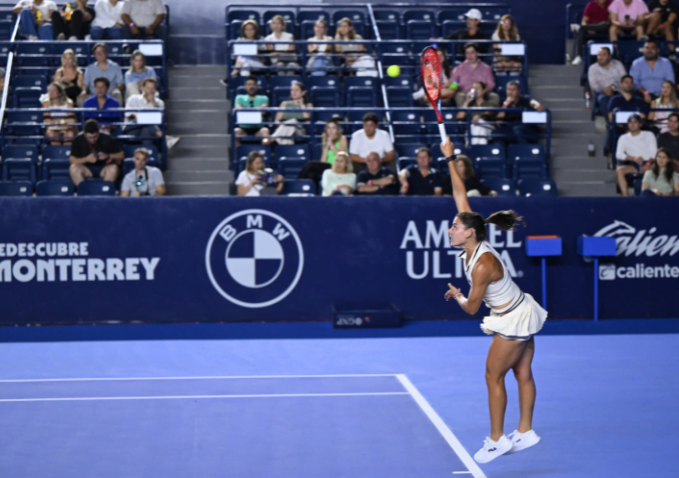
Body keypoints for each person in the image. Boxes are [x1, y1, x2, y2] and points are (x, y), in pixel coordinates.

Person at [441, 136, 545, 464]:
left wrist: (459, 295)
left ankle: (497, 439)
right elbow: (460, 193)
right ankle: (526, 431)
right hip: (521, 309)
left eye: (455, 227)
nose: (451, 229)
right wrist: (449, 158)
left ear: (469, 233)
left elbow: (473, 308)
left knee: (493, 375)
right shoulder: (474, 236)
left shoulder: (482, 265)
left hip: (512, 320)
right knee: (522, 373)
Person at [124, 77, 179, 149]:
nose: (150, 91)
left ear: (155, 89)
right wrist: (135, 114)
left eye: (152, 88)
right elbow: (127, 113)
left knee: (146, 129)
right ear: (142, 88)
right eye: (148, 88)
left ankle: (148, 155)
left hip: (150, 129)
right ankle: (165, 138)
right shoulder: (133, 98)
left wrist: (153, 103)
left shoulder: (159, 102)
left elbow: (159, 119)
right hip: (132, 128)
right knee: (147, 121)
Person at [69, 119, 124, 186]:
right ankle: (83, 192)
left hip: (104, 167)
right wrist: (87, 159)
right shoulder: (78, 139)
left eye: (95, 137)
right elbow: (72, 160)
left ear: (98, 132)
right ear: (85, 134)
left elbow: (121, 155)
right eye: (90, 137)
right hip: (86, 168)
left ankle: (104, 192)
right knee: (73, 168)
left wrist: (108, 155)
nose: (92, 140)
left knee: (113, 169)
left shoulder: (107, 137)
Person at [615, 114, 657, 196]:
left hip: (650, 163)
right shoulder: (623, 138)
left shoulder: (649, 134)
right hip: (635, 164)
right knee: (619, 170)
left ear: (640, 124)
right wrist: (634, 159)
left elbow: (654, 153)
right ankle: (625, 197)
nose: (632, 124)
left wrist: (648, 164)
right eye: (630, 122)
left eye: (635, 122)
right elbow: (618, 154)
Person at [262, 80, 312, 147]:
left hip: (300, 131)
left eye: (296, 90)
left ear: (303, 93)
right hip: (285, 130)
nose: (294, 92)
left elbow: (307, 117)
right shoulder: (284, 104)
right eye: (292, 90)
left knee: (293, 121)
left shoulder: (308, 105)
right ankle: (288, 151)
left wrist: (301, 105)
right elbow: (276, 121)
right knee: (288, 131)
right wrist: (283, 125)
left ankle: (271, 139)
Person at [450, 43, 497, 107]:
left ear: (477, 53)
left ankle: (488, 116)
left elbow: (491, 84)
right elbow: (453, 83)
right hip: (465, 93)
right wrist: (455, 87)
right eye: (467, 53)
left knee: (494, 96)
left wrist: (483, 92)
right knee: (459, 96)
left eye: (472, 52)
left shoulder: (486, 68)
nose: (469, 55)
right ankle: (463, 115)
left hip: (482, 93)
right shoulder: (458, 68)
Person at [587, 46, 627, 119]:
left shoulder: (617, 64)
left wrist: (613, 88)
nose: (600, 57)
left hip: (618, 91)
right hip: (602, 93)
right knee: (604, 101)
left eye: (604, 55)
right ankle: (611, 124)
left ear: (609, 56)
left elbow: (624, 80)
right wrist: (604, 90)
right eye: (599, 55)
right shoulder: (592, 68)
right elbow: (593, 85)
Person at [572, 0, 612, 66]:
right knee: (582, 30)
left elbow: (610, 21)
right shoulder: (591, 5)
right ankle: (579, 56)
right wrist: (589, 29)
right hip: (589, 29)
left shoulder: (611, 4)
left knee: (605, 25)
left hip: (603, 29)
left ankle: (579, 27)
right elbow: (584, 21)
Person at [233, 75, 270, 145]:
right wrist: (258, 109)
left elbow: (263, 111)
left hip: (258, 128)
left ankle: (264, 152)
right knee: (236, 132)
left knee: (265, 132)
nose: (251, 87)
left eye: (253, 84)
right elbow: (238, 111)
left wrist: (245, 110)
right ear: (245, 87)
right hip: (244, 128)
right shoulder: (239, 97)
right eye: (249, 85)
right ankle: (236, 154)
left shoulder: (264, 98)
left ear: (256, 86)